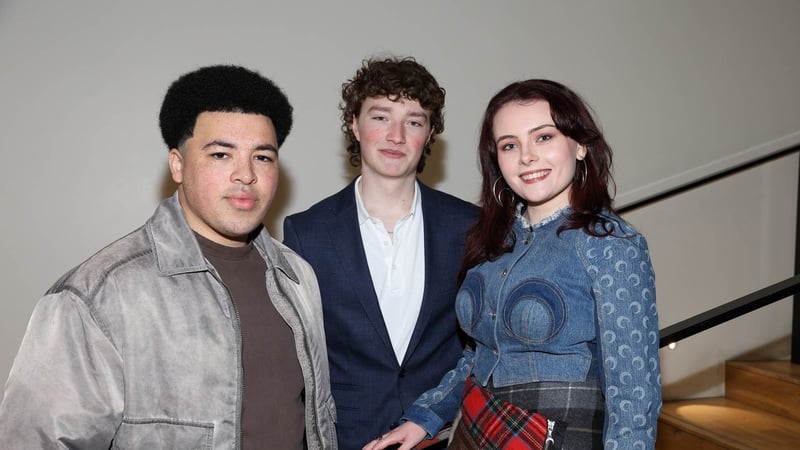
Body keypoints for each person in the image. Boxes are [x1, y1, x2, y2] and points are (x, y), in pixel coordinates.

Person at [0, 65, 337, 449]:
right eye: (221, 154)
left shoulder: (298, 277)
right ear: (177, 164)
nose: (246, 175)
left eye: (262, 157)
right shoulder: (98, 295)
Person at [365, 79, 662, 450]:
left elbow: (634, 396)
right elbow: (480, 357)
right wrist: (426, 418)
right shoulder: (494, 239)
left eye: (544, 137)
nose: (526, 157)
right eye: (509, 145)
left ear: (581, 145)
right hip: (476, 430)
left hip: (560, 437)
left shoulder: (611, 245)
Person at [282, 56, 478, 450]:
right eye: (381, 117)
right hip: (348, 438)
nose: (396, 136)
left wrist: (431, 418)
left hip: (447, 436)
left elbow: (484, 347)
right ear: (354, 125)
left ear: (429, 134)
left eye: (414, 121)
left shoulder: (471, 226)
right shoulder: (306, 232)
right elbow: (297, 361)